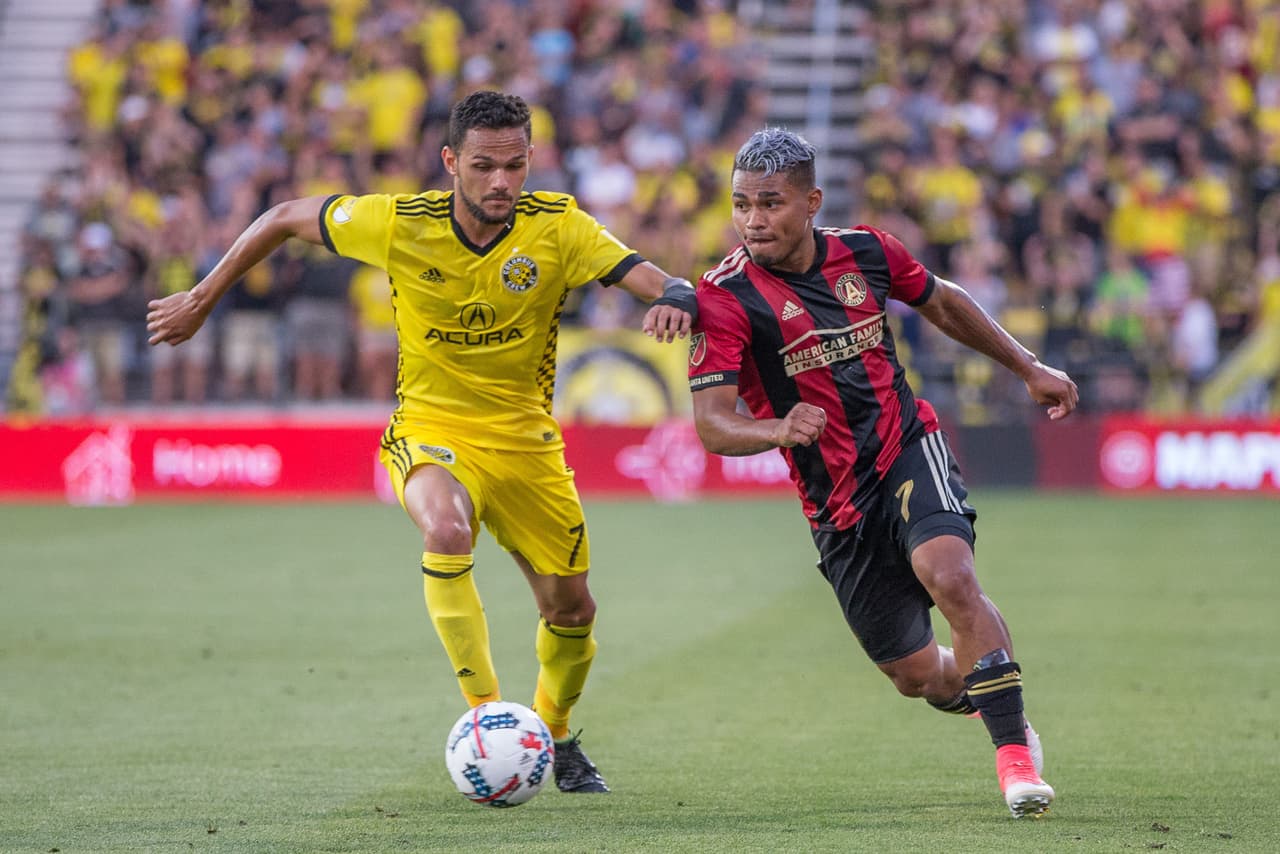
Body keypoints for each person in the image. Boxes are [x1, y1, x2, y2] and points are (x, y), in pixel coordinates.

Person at [146, 90, 697, 794]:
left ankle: (555, 733)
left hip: (525, 443)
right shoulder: (401, 222)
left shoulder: (558, 225)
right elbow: (283, 217)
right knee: (445, 528)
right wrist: (200, 299)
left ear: (531, 160)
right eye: (484, 165)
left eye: (515, 165)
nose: (501, 181)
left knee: (571, 610)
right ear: (450, 162)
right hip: (431, 428)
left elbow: (652, 277)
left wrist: (676, 294)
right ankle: (487, 718)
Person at [687, 128, 1078, 818]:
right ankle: (995, 691)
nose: (753, 220)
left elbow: (942, 301)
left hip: (905, 445)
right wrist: (776, 428)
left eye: (771, 203)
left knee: (950, 576)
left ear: (812, 202)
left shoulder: (867, 252)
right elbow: (712, 423)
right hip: (835, 503)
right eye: (742, 204)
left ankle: (1015, 760)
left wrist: (1027, 367)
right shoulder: (724, 297)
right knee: (917, 675)